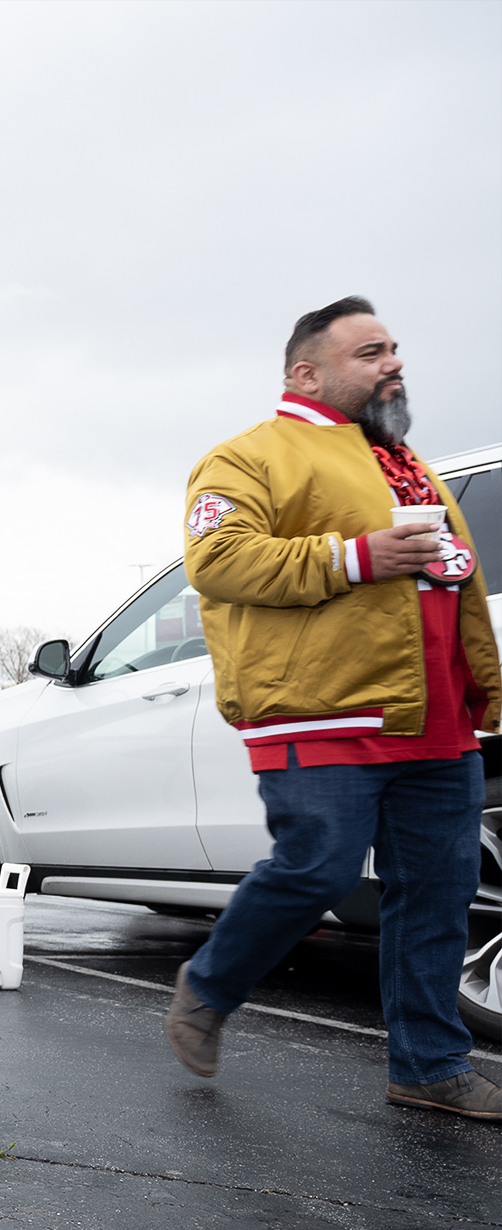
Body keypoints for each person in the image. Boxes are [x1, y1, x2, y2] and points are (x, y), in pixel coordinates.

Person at [171, 295, 502, 1120]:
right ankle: (207, 988)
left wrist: (482, 686)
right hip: (319, 711)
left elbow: (455, 579)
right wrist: (357, 556)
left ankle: (429, 1064)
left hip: (437, 724)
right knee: (316, 868)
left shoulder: (405, 460)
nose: (392, 362)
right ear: (306, 372)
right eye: (369, 352)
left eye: (394, 348)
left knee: (437, 890)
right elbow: (218, 558)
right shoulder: (248, 457)